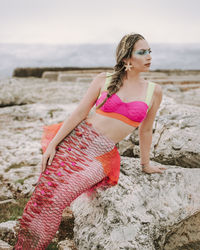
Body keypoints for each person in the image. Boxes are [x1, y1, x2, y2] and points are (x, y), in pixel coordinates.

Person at [14, 32, 167, 249]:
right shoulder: (103, 79)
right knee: (42, 197)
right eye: (142, 52)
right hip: (75, 142)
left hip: (100, 155)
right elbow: (78, 114)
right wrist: (54, 144)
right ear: (126, 58)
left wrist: (145, 164)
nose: (149, 56)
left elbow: (146, 131)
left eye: (149, 51)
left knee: (57, 201)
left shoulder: (154, 91)